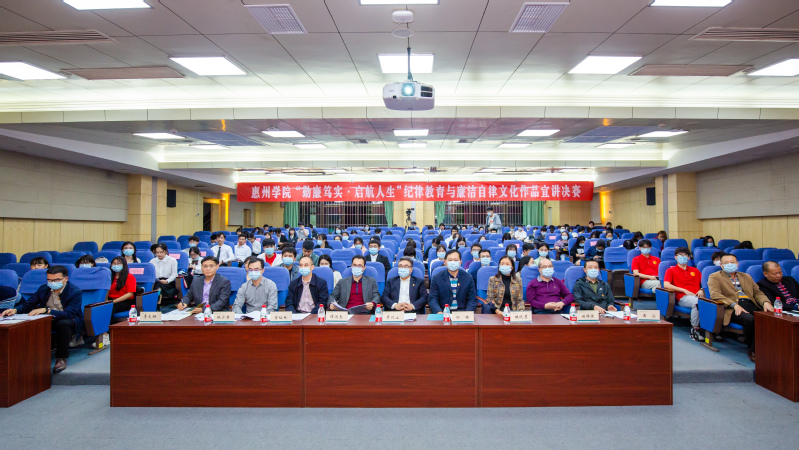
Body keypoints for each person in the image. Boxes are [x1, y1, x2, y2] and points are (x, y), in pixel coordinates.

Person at [2, 266, 83, 373]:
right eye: (49, 280)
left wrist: (47, 310)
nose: (52, 283)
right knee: (27, 322)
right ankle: (26, 357)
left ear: (65, 279)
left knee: (62, 324)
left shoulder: (75, 291)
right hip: (46, 317)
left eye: (56, 280)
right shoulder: (44, 289)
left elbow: (69, 313)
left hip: (69, 319)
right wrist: (15, 310)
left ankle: (61, 358)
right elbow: (28, 304)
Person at [708, 253, 773, 362]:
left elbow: (757, 293)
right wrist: (734, 305)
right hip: (731, 307)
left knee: (770, 318)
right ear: (721, 265)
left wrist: (765, 302)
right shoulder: (715, 277)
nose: (730, 264)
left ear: (737, 264)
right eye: (726, 263)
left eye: (732, 262)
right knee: (750, 319)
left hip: (750, 304)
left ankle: (768, 348)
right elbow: (715, 295)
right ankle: (754, 351)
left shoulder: (746, 276)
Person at [663, 247, 704, 341]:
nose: (683, 257)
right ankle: (695, 329)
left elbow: (704, 283)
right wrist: (683, 290)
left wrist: (701, 289)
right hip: (682, 297)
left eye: (685, 255)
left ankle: (712, 330)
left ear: (688, 258)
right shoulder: (671, 270)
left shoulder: (695, 270)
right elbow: (666, 284)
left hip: (697, 295)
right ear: (675, 257)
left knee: (709, 303)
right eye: (680, 255)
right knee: (697, 303)